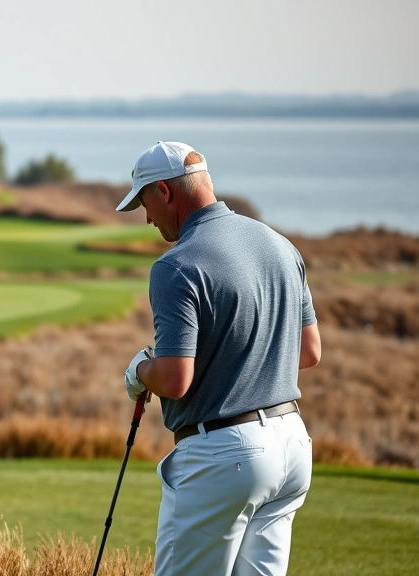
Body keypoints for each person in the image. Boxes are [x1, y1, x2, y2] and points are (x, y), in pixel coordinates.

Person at [116, 141, 322, 576]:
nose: (148, 218)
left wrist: (139, 370)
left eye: (145, 203)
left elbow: (173, 380)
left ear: (166, 192)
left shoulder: (175, 266)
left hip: (225, 457)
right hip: (291, 447)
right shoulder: (280, 244)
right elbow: (308, 352)